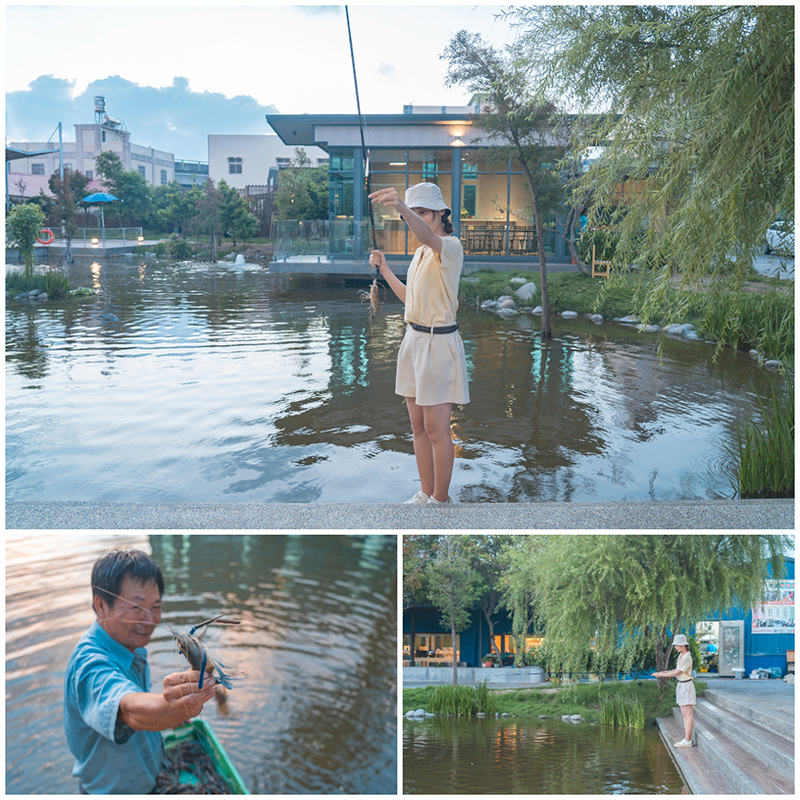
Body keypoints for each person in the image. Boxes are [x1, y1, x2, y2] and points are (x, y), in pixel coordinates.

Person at [64, 549, 219, 793]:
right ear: (101, 605)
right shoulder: (89, 665)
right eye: (136, 607)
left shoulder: (130, 645)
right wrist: (169, 707)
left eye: (155, 606)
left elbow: (136, 701)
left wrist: (172, 716)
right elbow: (128, 709)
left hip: (145, 778)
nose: (149, 620)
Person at [368, 182, 470, 504]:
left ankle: (441, 501)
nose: (420, 219)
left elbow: (427, 235)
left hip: (438, 345)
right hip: (413, 341)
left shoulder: (449, 247)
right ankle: (425, 493)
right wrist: (384, 269)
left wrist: (401, 207)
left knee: (438, 430)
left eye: (425, 211)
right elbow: (408, 298)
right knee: (417, 426)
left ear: (442, 213)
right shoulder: (419, 253)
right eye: (416, 212)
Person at [653, 633, 696, 747]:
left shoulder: (687, 657)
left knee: (687, 714)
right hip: (681, 685)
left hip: (686, 686)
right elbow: (676, 670)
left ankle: (688, 740)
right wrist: (663, 672)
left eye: (677, 645)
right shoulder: (681, 655)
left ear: (683, 645)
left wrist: (660, 675)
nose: (676, 647)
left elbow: (677, 672)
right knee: (684, 713)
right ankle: (687, 739)